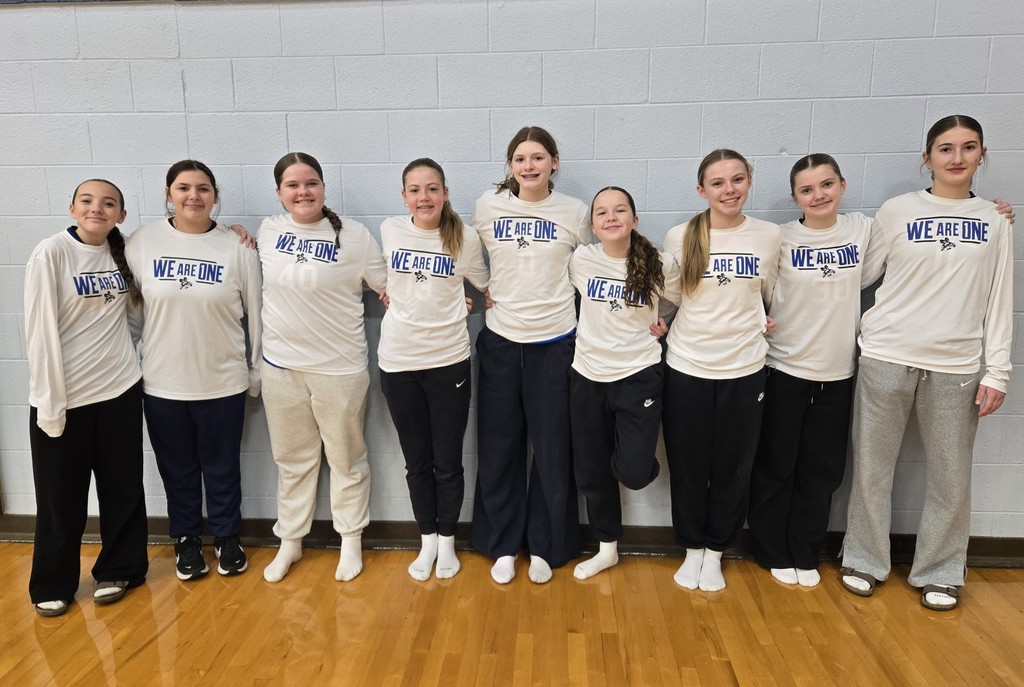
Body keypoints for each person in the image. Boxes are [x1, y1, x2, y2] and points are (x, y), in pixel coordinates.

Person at [840, 115, 1014, 611]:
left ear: (982, 154)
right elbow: (860, 276)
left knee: (950, 475)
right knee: (872, 468)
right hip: (885, 355)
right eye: (945, 148)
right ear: (927, 157)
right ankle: (864, 558)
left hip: (957, 365)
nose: (956, 157)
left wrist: (997, 369)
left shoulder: (996, 220)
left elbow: (1001, 298)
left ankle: (940, 570)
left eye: (968, 147)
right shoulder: (896, 211)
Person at [747, 155, 885, 588]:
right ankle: (772, 550)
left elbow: (886, 261)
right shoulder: (779, 238)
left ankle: (806, 551)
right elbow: (763, 293)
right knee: (776, 466)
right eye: (807, 189)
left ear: (842, 185)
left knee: (822, 471)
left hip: (838, 374)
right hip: (783, 368)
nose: (818, 195)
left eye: (826, 185)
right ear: (795, 197)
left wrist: (994, 209)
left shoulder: (863, 230)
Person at [125, 160, 262, 581]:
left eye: (203, 188)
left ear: (215, 196)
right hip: (163, 384)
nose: (194, 196)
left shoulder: (238, 247)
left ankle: (226, 537)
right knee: (177, 470)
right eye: (183, 188)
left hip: (222, 382)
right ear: (169, 194)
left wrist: (255, 370)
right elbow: (132, 319)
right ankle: (185, 539)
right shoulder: (142, 242)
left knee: (223, 467)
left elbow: (255, 315)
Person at [259, 152, 387, 584]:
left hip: (341, 370)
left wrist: (444, 300)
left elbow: (391, 287)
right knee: (292, 459)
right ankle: (290, 542)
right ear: (279, 193)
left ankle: (350, 539)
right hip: (281, 370)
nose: (303, 192)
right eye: (292, 185)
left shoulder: (355, 236)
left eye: (311, 183)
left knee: (347, 459)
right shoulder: (267, 232)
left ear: (324, 188)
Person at [470, 126, 590, 584]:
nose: (529, 165)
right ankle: (502, 544)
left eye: (538, 157)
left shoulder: (575, 213)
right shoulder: (488, 206)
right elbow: (459, 249)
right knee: (499, 447)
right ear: (510, 166)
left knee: (553, 450)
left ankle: (546, 545)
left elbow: (598, 264)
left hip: (556, 343)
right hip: (501, 341)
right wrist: (475, 290)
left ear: (554, 162)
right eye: (520, 158)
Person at [25, 179, 149, 616]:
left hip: (118, 391)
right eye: (88, 201)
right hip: (65, 399)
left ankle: (122, 568)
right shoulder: (52, 252)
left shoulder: (126, 253)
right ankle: (53, 582)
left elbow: (135, 317)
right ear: (72, 207)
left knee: (123, 489)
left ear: (120, 215)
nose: (98, 208)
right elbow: (39, 333)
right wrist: (49, 403)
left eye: (109, 203)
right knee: (61, 497)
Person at [662, 149, 782, 592]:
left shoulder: (769, 236)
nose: (728, 190)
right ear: (702, 190)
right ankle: (692, 549)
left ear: (750, 180)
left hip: (744, 369)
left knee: (733, 467)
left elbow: (770, 295)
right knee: (689, 465)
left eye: (736, 180)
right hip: (686, 367)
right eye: (717, 183)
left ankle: (716, 551)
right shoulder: (680, 236)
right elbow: (672, 296)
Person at [377, 158, 489, 581]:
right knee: (416, 461)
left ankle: (447, 543)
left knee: (447, 461)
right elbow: (379, 278)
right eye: (415, 190)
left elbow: (486, 286)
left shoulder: (466, 239)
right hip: (398, 362)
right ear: (404, 196)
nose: (424, 197)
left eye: (432, 189)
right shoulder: (390, 230)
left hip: (448, 362)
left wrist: (477, 301)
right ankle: (426, 540)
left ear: (445, 194)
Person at [568, 186, 681, 580]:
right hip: (587, 377)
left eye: (620, 210)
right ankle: (607, 547)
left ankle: (629, 461)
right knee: (592, 473)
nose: (611, 217)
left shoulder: (660, 264)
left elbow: (676, 300)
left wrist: (664, 321)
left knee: (632, 472)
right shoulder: (582, 260)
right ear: (594, 225)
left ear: (634, 219)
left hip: (638, 376)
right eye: (602, 213)